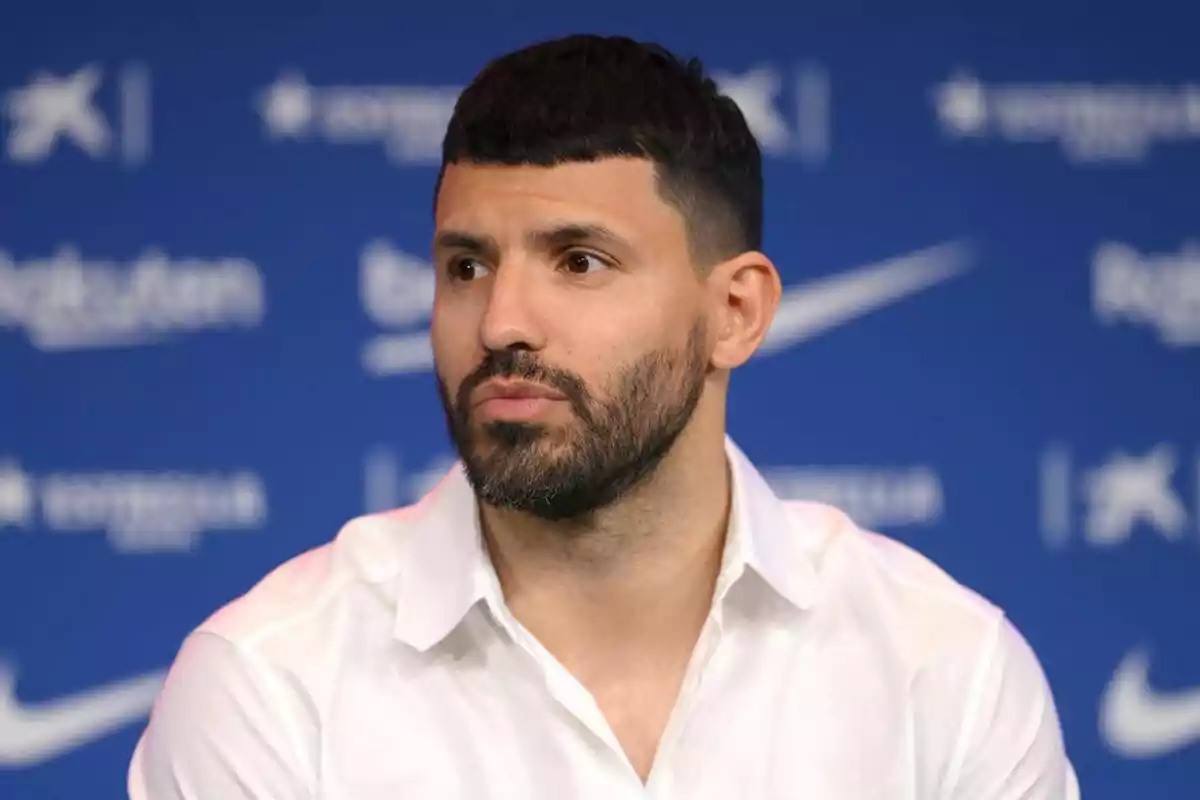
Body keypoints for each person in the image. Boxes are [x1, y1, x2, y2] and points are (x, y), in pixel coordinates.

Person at [127, 34, 1081, 798]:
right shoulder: (268, 684)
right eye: (466, 266)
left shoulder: (943, 671)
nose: (501, 321)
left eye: (579, 261)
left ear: (735, 313)